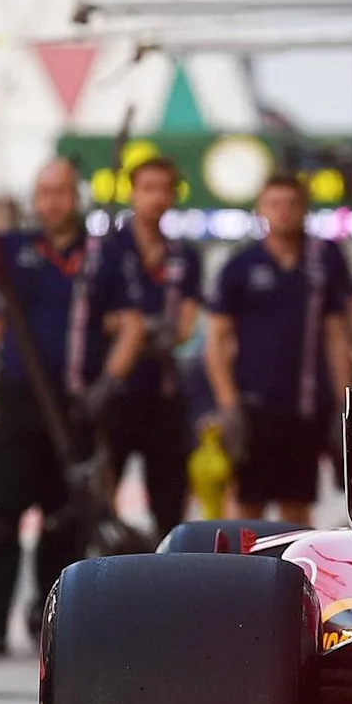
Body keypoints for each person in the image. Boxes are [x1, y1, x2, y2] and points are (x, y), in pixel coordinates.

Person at [0, 160, 116, 654]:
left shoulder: (100, 255)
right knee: (5, 513)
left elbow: (124, 317)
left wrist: (106, 383)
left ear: (76, 196)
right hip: (20, 399)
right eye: (43, 192)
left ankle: (51, 617)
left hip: (74, 405)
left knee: (63, 516)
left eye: (60, 192)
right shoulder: (16, 249)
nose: (51, 201)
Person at [205, 173, 352, 524]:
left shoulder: (322, 261)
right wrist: (228, 405)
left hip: (305, 407)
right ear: (260, 209)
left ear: (304, 208)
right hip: (253, 406)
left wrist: (343, 402)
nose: (283, 212)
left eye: (291, 204)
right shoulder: (240, 266)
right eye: (274, 204)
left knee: (297, 507)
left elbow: (336, 336)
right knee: (246, 507)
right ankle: (240, 577)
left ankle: (295, 576)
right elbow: (215, 342)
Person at [94, 156, 204, 536]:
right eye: (148, 189)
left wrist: (145, 329)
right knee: (101, 496)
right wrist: (132, 328)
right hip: (117, 390)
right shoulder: (108, 250)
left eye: (164, 189)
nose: (156, 198)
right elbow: (97, 318)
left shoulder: (184, 256)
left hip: (166, 390)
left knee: (170, 499)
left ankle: (165, 578)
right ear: (132, 193)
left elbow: (185, 325)